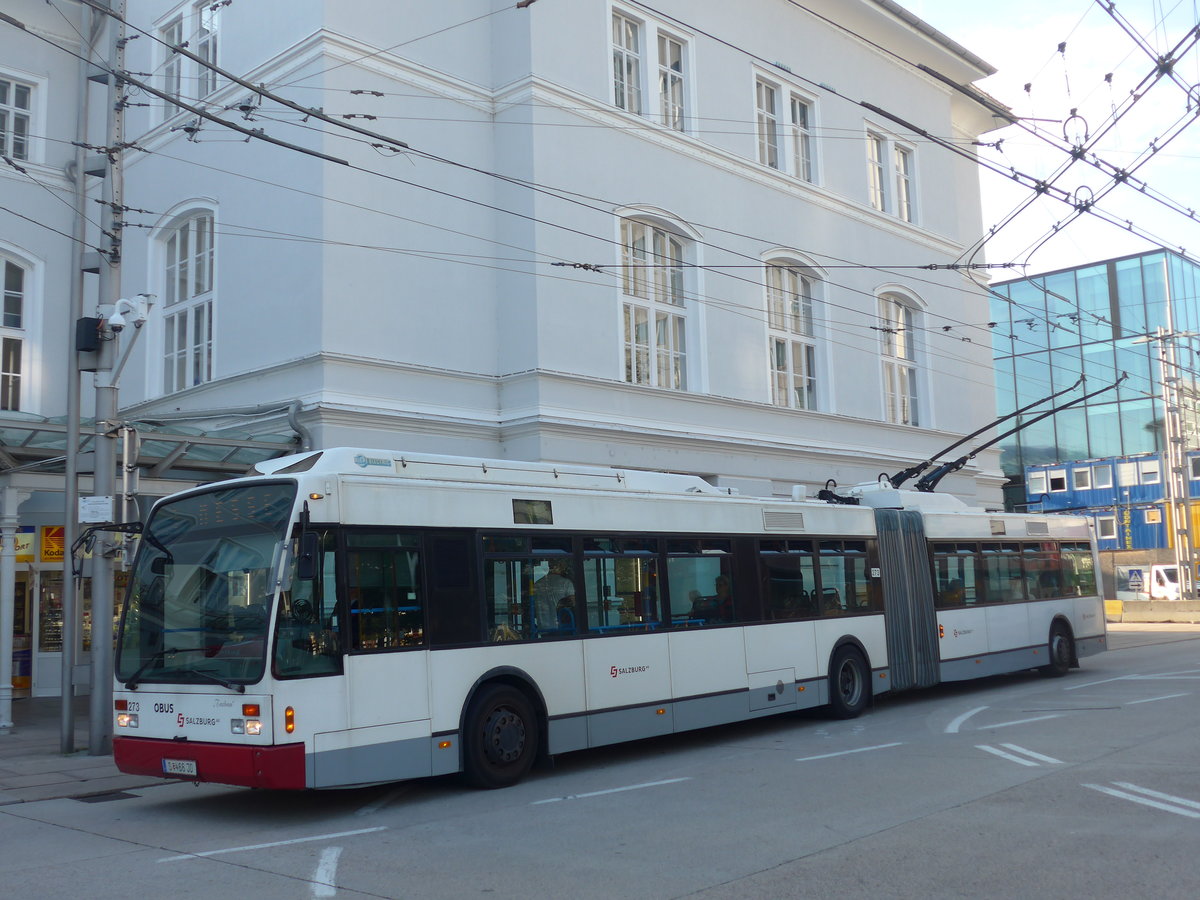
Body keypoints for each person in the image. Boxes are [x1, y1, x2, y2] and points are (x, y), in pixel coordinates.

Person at [533, 559, 576, 633]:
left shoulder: (537, 584)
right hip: (562, 629)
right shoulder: (566, 583)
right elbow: (573, 606)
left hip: (543, 629)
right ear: (559, 566)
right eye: (564, 566)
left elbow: (533, 608)